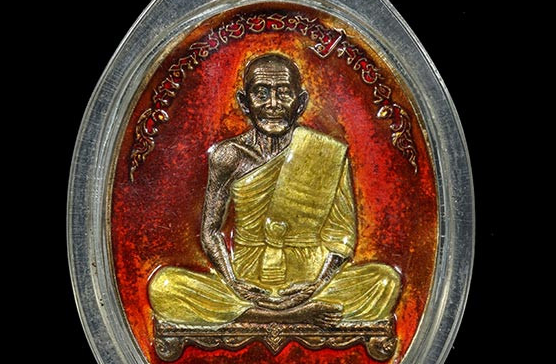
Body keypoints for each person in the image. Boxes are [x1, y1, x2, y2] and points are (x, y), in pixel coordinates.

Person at [148, 53, 401, 328]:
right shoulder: (229, 156)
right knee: (165, 286)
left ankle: (263, 314)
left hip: (309, 282)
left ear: (300, 102)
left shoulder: (326, 152)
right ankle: (290, 316)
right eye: (261, 93)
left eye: (283, 93)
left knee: (385, 281)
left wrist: (316, 285)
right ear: (244, 103)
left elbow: (341, 237)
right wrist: (232, 282)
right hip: (245, 283)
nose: (273, 104)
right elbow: (210, 230)